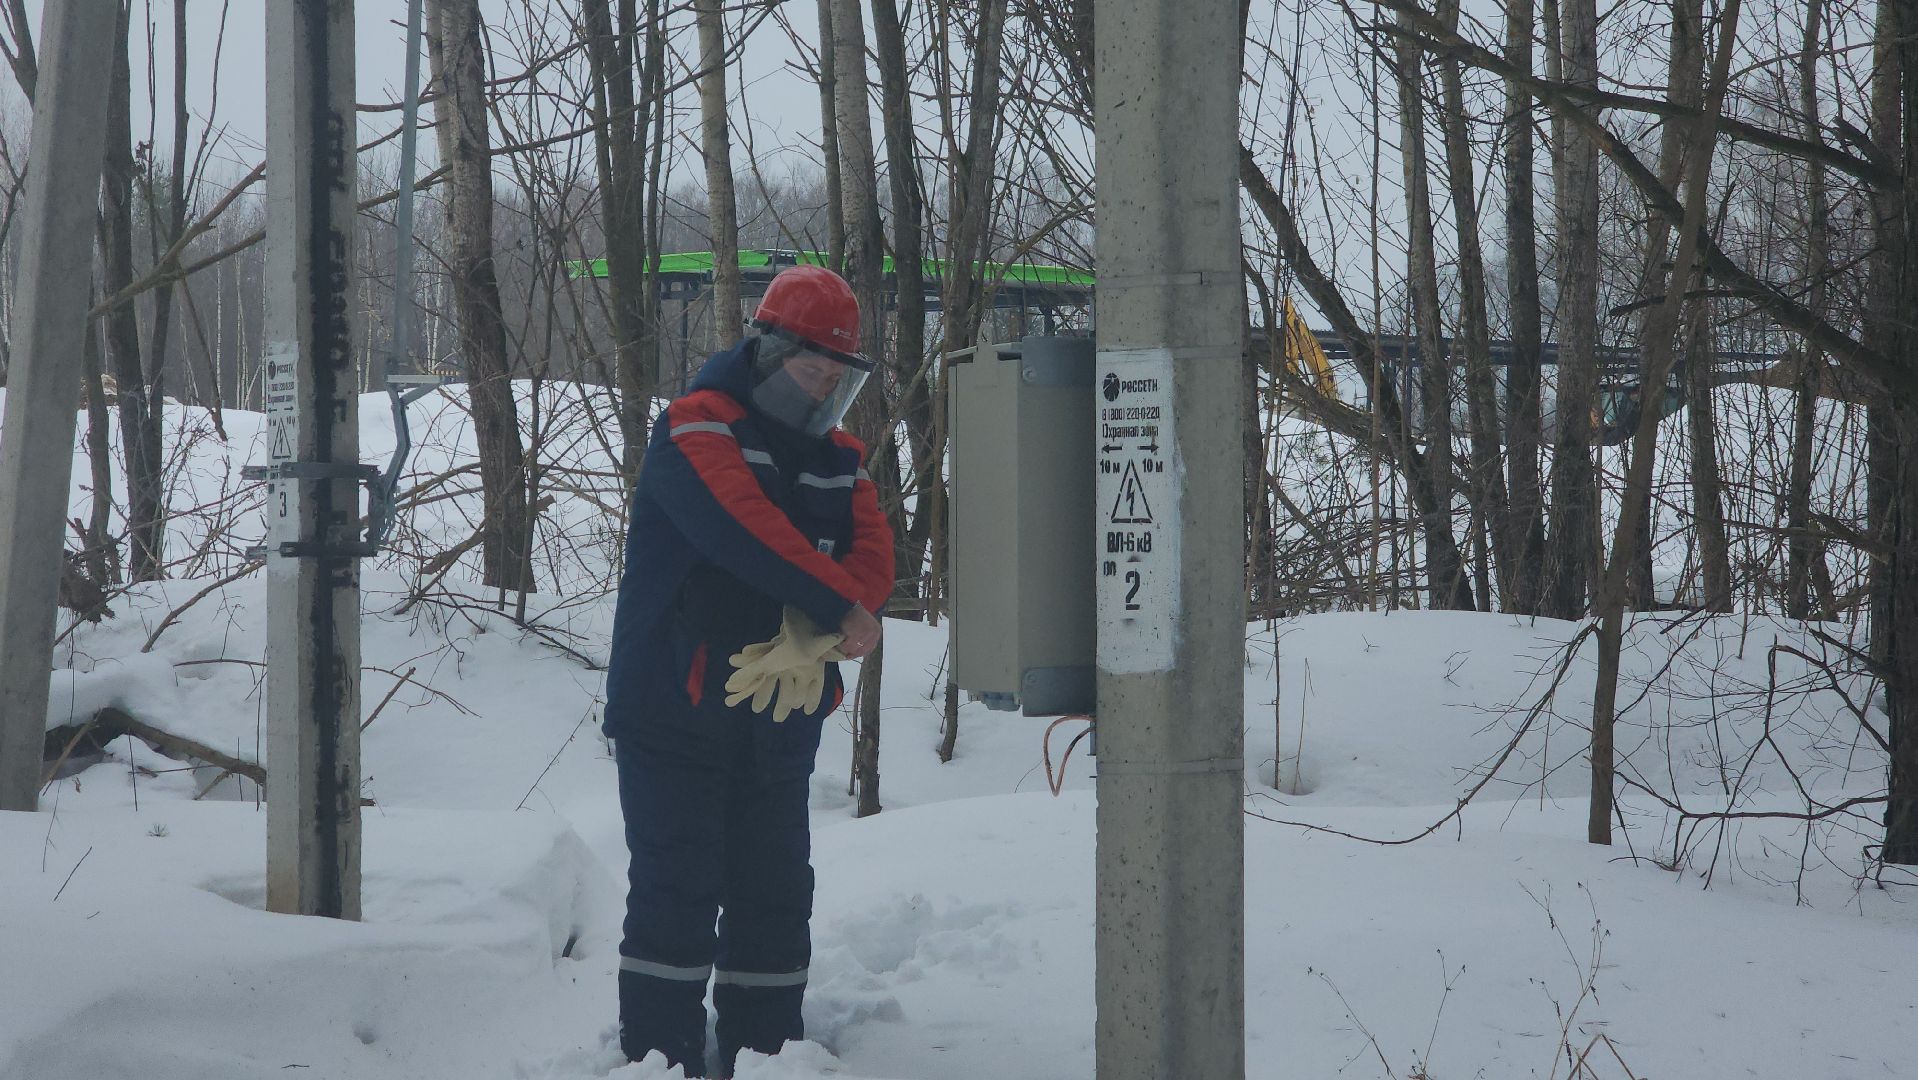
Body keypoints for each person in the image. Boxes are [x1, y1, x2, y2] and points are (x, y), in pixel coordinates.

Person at [601, 264, 894, 1077]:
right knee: (676, 892)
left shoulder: (842, 454)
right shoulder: (696, 426)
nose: (821, 389)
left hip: (780, 712)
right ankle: (659, 1059)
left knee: (775, 895)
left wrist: (838, 617)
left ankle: (766, 1055)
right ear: (767, 350)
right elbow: (743, 529)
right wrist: (838, 610)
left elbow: (872, 553)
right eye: (810, 370)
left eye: (835, 377)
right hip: (673, 709)